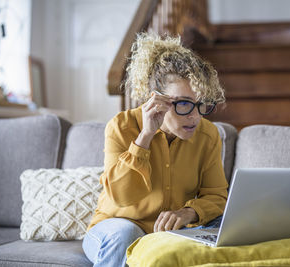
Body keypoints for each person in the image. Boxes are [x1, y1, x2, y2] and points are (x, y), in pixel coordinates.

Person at [82, 33, 228, 267]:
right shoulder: (121, 127)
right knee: (125, 236)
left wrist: (188, 213)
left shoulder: (208, 134)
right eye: (183, 103)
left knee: (229, 227)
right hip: (117, 225)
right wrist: (145, 136)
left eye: (200, 104)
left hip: (175, 230)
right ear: (156, 100)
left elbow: (217, 196)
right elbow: (121, 197)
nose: (195, 116)